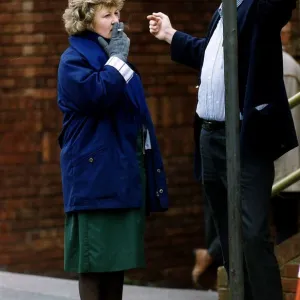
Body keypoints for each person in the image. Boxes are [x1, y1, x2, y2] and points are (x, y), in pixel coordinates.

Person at [147, 0, 298, 299]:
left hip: (243, 138)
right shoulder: (225, 8)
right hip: (210, 136)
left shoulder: (258, 7)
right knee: (228, 236)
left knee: (252, 234)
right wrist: (170, 34)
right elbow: (211, 57)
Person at [57, 1, 168, 300]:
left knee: (115, 265)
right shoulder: (73, 60)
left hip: (123, 173)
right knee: (94, 266)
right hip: (94, 180)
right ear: (85, 21)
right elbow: (98, 93)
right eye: (107, 15)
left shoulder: (115, 58)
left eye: (117, 13)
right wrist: (118, 59)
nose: (117, 22)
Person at [192, 20, 300, 286]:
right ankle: (215, 255)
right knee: (267, 223)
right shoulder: (288, 64)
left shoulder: (268, 60)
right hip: (281, 159)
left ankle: (212, 254)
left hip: (260, 152)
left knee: (250, 226)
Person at [273, 21, 300, 244]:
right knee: (287, 228)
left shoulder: (259, 63)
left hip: (269, 159)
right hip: (290, 161)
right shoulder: (291, 67)